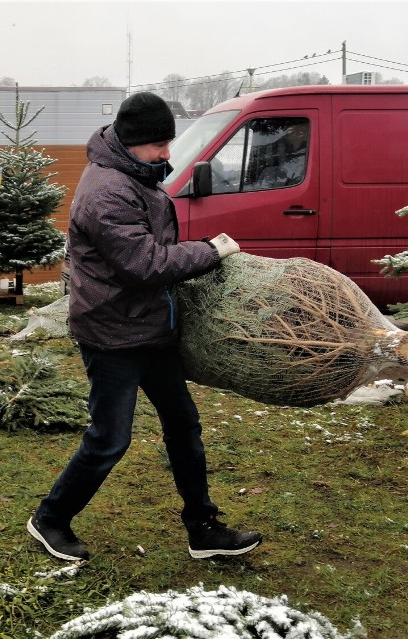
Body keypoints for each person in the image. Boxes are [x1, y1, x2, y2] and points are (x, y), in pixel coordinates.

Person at [27, 92, 262, 562]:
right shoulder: (107, 192)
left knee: (183, 426)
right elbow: (144, 263)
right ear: (132, 143)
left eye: (168, 143)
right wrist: (210, 251)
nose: (168, 154)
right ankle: (50, 519)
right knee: (110, 438)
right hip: (112, 334)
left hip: (150, 328)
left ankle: (203, 529)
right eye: (159, 145)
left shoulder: (135, 175)